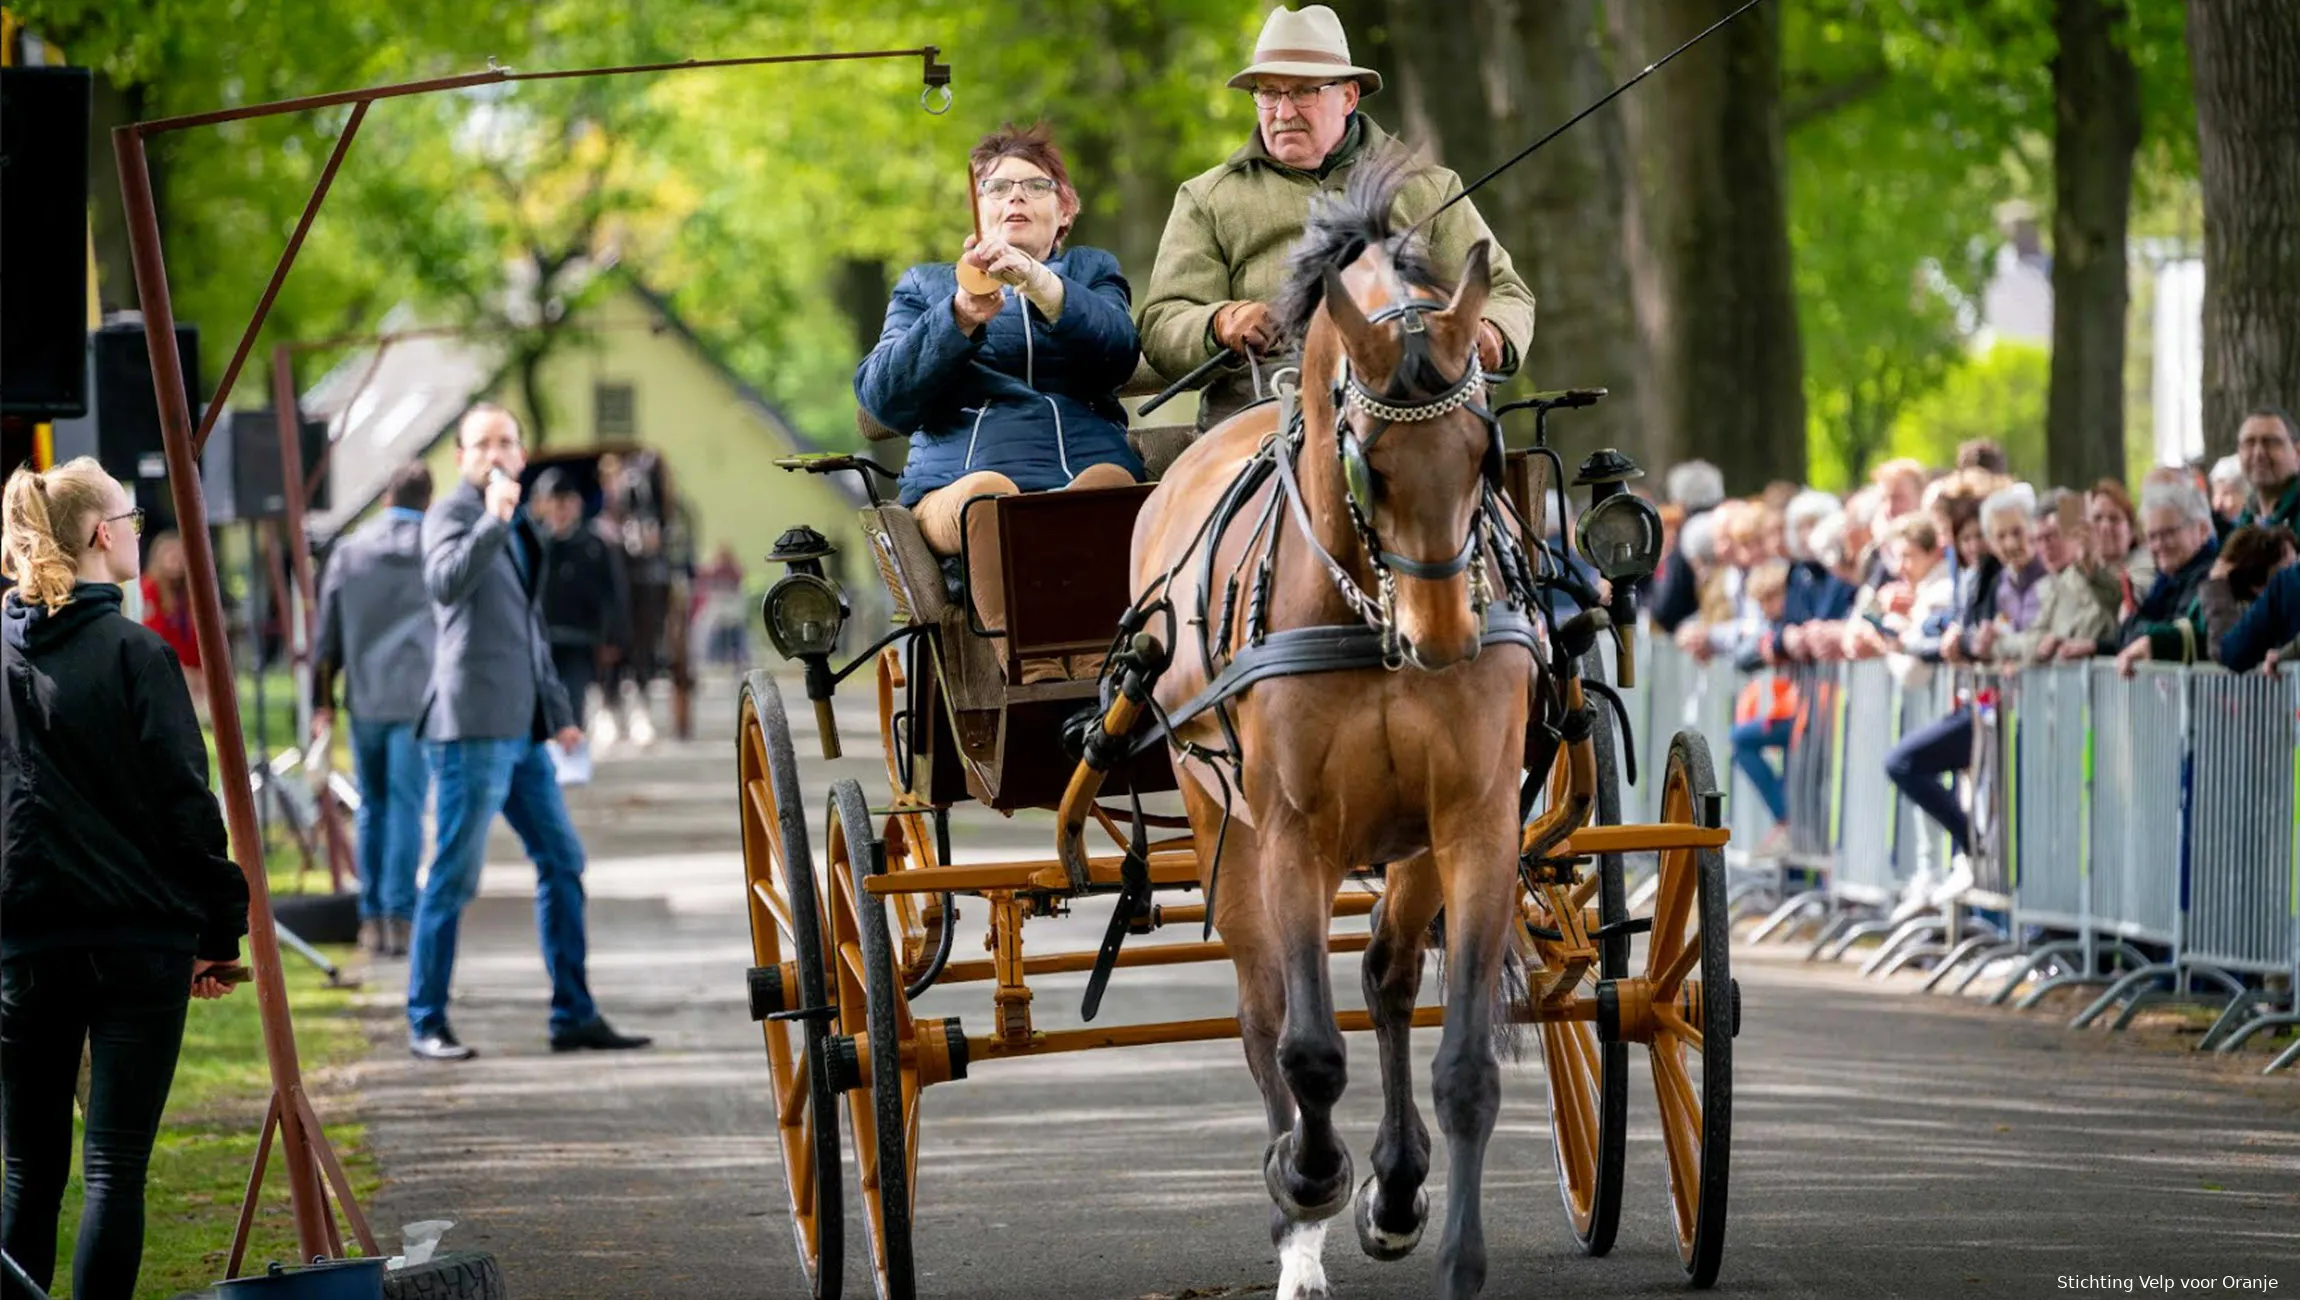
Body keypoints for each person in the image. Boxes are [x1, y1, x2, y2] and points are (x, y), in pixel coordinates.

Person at [1, 458, 248, 1299]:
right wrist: (219, 931)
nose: (139, 531)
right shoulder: (139, 655)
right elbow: (187, 805)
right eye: (131, 519)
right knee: (114, 1167)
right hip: (137, 941)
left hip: (25, 943)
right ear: (103, 536)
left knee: (26, 1172)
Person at [1137, 3, 1537, 432]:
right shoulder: (1209, 199)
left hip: (1408, 415)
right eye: (1269, 93)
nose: (1283, 112)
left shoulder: (1427, 189)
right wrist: (1222, 323)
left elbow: (1507, 293)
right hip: (1262, 422)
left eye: (1304, 91)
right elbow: (1163, 322)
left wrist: (1489, 333)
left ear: (1348, 96)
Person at [855, 122, 1144, 683]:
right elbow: (881, 400)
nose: (1015, 195)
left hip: (1080, 476)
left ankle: (1097, 671)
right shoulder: (927, 287)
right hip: (961, 490)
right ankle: (1030, 672)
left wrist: (1041, 284)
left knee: (1110, 485)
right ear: (979, 213)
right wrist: (959, 315)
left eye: (1035, 186)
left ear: (1065, 212)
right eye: (996, 187)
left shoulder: (1091, 272)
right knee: (990, 495)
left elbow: (1118, 351)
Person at [407, 405, 650, 1061]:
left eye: (506, 442)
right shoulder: (454, 516)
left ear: (521, 455)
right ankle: (426, 1020)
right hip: (470, 728)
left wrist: (559, 713)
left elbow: (527, 629)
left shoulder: (516, 525)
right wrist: (492, 518)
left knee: (564, 862)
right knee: (454, 877)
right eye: (481, 443)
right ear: (460, 458)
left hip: (522, 731)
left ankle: (572, 1014)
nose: (494, 452)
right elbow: (445, 584)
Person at [313, 463, 438, 957]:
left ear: (388, 497)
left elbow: (326, 636)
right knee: (408, 806)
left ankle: (370, 917)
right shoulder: (437, 549)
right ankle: (400, 917)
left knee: (372, 809)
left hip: (364, 697)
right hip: (418, 699)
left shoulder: (350, 552)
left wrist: (323, 701)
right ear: (428, 501)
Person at [532, 466, 630, 728]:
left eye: (566, 502)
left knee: (573, 705)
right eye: (554, 503)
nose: (561, 510)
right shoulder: (535, 544)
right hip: (540, 641)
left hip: (580, 639)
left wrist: (613, 637)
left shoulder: (594, 546)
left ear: (576, 505)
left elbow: (613, 594)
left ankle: (571, 760)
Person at [2107, 478, 2222, 673]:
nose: (2159, 545)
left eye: (2169, 533)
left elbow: (2184, 634)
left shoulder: (2212, 576)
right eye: (2152, 536)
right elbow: (2134, 638)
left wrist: (2131, 622)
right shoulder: (2165, 583)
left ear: (2202, 529)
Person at [2233, 408, 2300, 533]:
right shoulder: (2244, 523)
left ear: (2297, 454)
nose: (2258, 453)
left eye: (2271, 442)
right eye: (2249, 443)